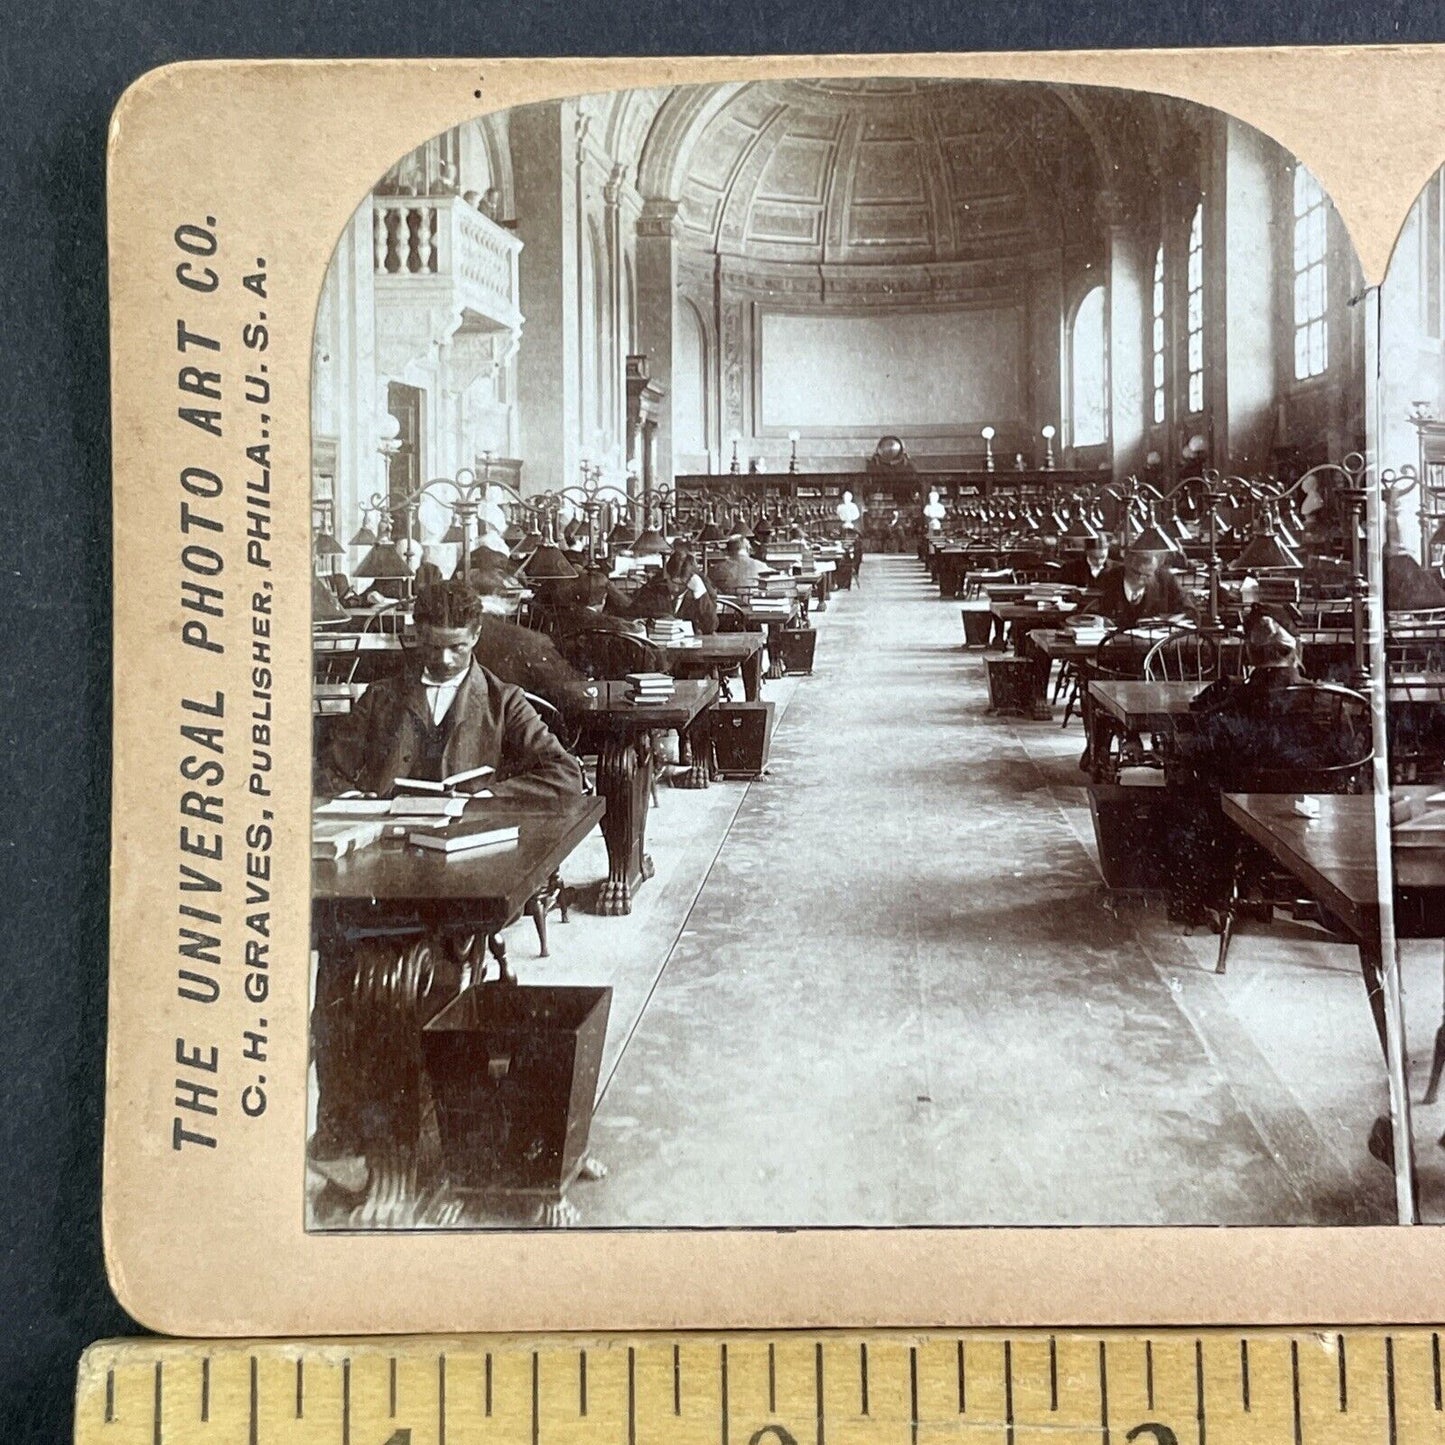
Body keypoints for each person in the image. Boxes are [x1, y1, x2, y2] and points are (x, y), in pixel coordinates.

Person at [316, 579, 584, 804]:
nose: (444, 660)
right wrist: (351, 798)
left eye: (457, 647)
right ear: (418, 636)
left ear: (475, 636)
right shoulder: (379, 696)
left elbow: (565, 773)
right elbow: (327, 770)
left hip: (467, 838)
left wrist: (488, 797)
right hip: (387, 836)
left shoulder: (504, 701)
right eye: (433, 647)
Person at [1088, 550, 1193, 627]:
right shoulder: (1108, 578)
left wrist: (1167, 620)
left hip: (1158, 650)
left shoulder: (1166, 580)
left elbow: (1191, 612)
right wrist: (1099, 621)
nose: (1141, 579)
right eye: (1136, 573)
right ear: (1126, 566)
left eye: (1147, 575)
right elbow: (1088, 614)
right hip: (1115, 649)